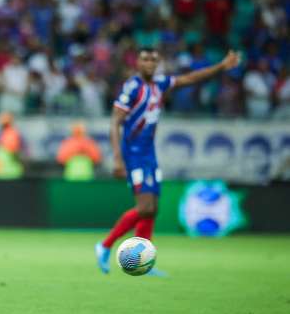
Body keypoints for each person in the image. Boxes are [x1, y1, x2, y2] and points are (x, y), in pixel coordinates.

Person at [95, 47, 241, 273]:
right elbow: (115, 122)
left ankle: (143, 261)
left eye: (154, 59)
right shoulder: (133, 87)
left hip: (149, 154)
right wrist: (117, 158)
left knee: (152, 209)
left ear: (158, 62)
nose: (150, 63)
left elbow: (191, 78)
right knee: (144, 207)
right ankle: (104, 246)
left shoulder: (160, 84)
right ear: (138, 63)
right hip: (133, 154)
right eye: (145, 59)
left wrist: (221, 66)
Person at [0, 112, 23, 179]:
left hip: (9, 174)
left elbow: (14, 149)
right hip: (1, 173)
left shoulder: (12, 134)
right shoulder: (5, 133)